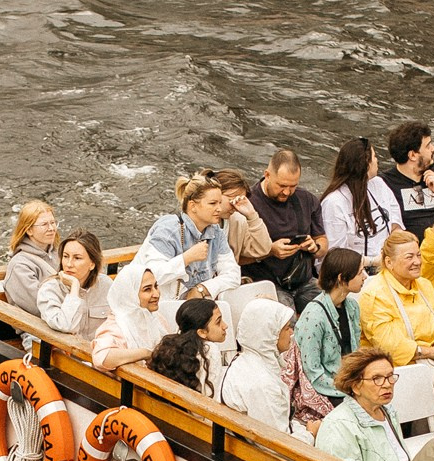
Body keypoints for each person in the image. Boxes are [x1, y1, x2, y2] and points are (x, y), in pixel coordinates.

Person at [135, 173, 242, 301]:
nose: (219, 208)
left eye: (219, 203)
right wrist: (187, 258)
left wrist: (202, 288)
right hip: (153, 304)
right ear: (193, 206)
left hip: (190, 308)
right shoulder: (168, 229)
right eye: (213, 203)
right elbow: (154, 275)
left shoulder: (216, 232)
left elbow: (233, 274)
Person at [358, 228, 434, 368]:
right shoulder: (374, 294)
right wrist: (430, 352)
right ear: (389, 262)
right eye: (409, 257)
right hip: (393, 371)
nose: (417, 262)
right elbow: (390, 346)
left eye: (418, 255)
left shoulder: (424, 285)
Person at [315, 346, 411, 461]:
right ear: (355, 386)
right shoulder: (338, 425)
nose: (387, 384)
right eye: (376, 378)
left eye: (390, 376)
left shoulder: (388, 411)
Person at [244, 151, 325, 300]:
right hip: (265, 282)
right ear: (267, 175)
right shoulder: (248, 203)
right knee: (288, 320)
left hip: (303, 279)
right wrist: (270, 251)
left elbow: (322, 241)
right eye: (282, 185)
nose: (287, 192)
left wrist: (315, 247)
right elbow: (236, 257)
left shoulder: (307, 199)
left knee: (333, 309)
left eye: (293, 186)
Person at [221, 298, 305, 436]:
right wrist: (310, 434)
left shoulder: (244, 361)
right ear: (269, 334)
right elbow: (278, 445)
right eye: (286, 328)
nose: (291, 333)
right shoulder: (263, 383)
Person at [319, 137, 401, 266]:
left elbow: (396, 226)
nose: (377, 160)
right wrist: (373, 262)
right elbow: (334, 256)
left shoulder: (379, 184)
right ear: (364, 164)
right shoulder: (334, 203)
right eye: (374, 157)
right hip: (354, 271)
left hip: (388, 264)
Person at [297, 247, 364, 403]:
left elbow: (356, 352)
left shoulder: (352, 307)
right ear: (342, 278)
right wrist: (348, 388)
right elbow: (312, 372)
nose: (365, 277)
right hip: (327, 391)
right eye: (360, 273)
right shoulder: (314, 316)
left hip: (350, 384)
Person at [93, 261, 169, 372]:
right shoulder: (117, 325)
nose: (156, 294)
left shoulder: (156, 319)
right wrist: (145, 353)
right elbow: (101, 357)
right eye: (147, 289)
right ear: (130, 294)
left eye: (156, 286)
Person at [36, 228, 113, 338]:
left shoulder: (107, 285)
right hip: (65, 353)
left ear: (92, 263)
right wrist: (74, 288)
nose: (69, 264)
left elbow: (121, 323)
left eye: (77, 258)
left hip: (99, 352)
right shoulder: (49, 289)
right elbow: (66, 326)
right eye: (66, 256)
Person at [149, 297, 226, 397]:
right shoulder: (209, 351)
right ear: (202, 332)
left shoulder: (171, 346)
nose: (225, 326)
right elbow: (212, 399)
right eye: (218, 322)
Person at [3, 200, 59, 315]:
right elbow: (39, 306)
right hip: (37, 327)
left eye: (53, 223)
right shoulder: (20, 265)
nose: (51, 228)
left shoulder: (60, 253)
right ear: (29, 230)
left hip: (67, 319)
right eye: (44, 224)